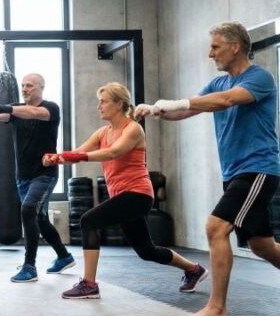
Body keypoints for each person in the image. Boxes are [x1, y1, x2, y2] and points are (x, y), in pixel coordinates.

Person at [136, 21, 280, 316]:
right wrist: (156, 110)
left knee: (216, 227)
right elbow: (188, 110)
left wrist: (175, 102)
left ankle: (217, 308)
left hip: (258, 169)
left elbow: (227, 101)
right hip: (235, 172)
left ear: (235, 46)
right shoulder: (218, 83)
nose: (209, 54)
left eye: (215, 47)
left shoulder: (260, 78)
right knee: (262, 246)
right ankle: (218, 306)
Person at [43, 82, 205, 299]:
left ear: (119, 104)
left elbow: (113, 153)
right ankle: (194, 270)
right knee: (146, 251)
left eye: (104, 102)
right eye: (99, 102)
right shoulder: (103, 132)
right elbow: (79, 152)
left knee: (88, 221)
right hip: (122, 196)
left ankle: (89, 284)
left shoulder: (133, 129)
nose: (99, 106)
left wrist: (75, 157)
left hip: (137, 194)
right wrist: (57, 157)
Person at [0, 72, 74, 283]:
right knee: (39, 218)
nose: (24, 89)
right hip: (23, 176)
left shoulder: (50, 108)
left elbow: (31, 112)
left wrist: (6, 107)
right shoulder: (18, 110)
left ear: (41, 87)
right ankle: (64, 256)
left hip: (45, 174)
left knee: (28, 209)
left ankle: (29, 266)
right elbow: (1, 116)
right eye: (22, 85)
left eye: (29, 85)